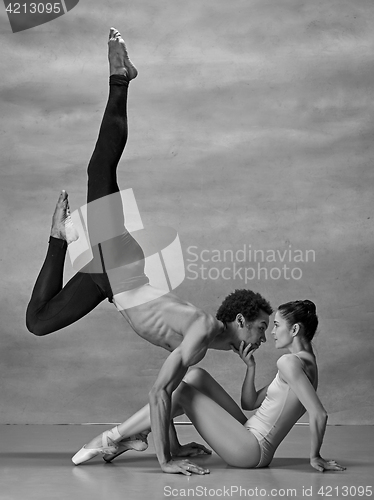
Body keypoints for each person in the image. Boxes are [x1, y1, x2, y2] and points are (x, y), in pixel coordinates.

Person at [25, 28, 273, 475]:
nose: (263, 338)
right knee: (99, 169)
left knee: (38, 323)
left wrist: (177, 443)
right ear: (240, 321)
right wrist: (166, 462)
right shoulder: (200, 332)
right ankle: (121, 77)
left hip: (113, 284)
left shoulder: (208, 337)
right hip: (120, 267)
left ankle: (58, 238)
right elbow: (161, 393)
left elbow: (179, 388)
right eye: (260, 328)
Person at [73, 300, 346, 474]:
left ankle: (113, 437)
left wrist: (316, 456)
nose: (271, 333)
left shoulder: (289, 362)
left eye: (275, 326)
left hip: (252, 451)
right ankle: (137, 436)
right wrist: (249, 368)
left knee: (179, 391)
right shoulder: (305, 364)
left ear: (295, 330)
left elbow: (319, 414)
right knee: (196, 376)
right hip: (247, 432)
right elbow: (249, 404)